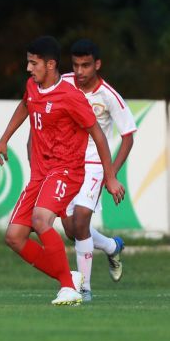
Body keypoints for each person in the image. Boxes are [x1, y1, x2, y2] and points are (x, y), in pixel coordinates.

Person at [0, 36, 125, 306]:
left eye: (34, 63)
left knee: (42, 220)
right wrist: (4, 138)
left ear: (50, 64)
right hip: (41, 173)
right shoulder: (32, 86)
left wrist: (110, 177)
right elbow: (25, 105)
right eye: (28, 62)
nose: (28, 68)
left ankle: (68, 287)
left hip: (66, 170)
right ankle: (69, 278)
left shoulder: (71, 96)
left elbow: (99, 136)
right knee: (14, 237)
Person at [60, 39, 136, 301]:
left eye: (86, 65)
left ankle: (84, 289)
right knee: (72, 230)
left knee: (82, 220)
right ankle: (111, 246)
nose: (80, 71)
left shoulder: (109, 96)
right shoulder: (63, 83)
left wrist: (110, 174)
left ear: (97, 64)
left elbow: (128, 136)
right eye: (76, 65)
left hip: (94, 165)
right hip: (65, 163)